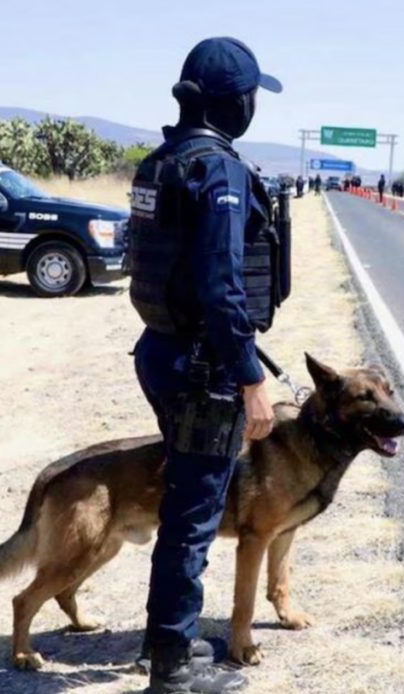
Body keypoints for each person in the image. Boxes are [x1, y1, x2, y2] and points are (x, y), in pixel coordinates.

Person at [126, 36, 288, 694]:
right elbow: (222, 288)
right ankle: (173, 668)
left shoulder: (160, 162)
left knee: (186, 502)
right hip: (203, 367)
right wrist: (251, 377)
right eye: (252, 95)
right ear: (235, 102)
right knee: (194, 515)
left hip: (161, 350)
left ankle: (160, 639)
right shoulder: (217, 171)